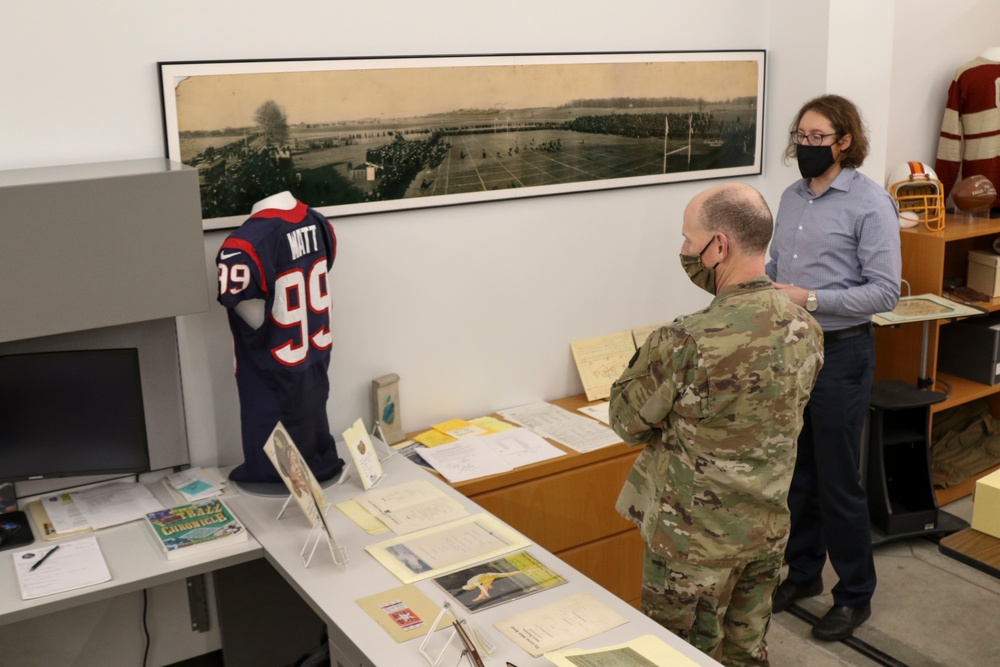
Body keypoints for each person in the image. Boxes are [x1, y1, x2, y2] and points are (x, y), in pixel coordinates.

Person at [611, 183, 824, 666]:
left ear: (719, 246)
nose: (684, 250)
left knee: (678, 657)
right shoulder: (805, 328)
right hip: (766, 534)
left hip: (692, 545)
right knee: (746, 654)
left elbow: (627, 421)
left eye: (689, 240)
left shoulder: (684, 340)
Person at [766, 95, 901, 641]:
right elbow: (775, 267)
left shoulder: (870, 204)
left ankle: (854, 595)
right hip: (792, 352)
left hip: (842, 352)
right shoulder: (790, 197)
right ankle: (803, 575)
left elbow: (886, 292)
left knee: (840, 481)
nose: (806, 146)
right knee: (798, 475)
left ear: (844, 141)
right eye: (801, 135)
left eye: (818, 137)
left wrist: (810, 298)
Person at [216, 191, 344, 485]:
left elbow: (247, 313)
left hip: (273, 383)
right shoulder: (318, 221)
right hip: (312, 363)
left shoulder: (244, 245)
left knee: (276, 458)